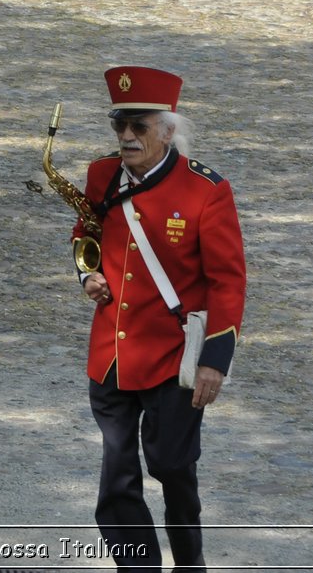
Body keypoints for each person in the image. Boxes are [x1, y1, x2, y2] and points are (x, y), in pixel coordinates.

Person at [74, 66, 246, 572]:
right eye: (118, 125)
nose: (126, 136)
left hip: (174, 355)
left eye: (139, 126)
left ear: (168, 130)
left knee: (172, 466)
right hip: (112, 354)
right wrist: (87, 275)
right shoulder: (100, 174)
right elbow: (84, 236)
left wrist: (215, 360)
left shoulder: (206, 190)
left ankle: (190, 562)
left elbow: (228, 282)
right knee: (117, 478)